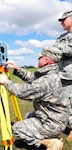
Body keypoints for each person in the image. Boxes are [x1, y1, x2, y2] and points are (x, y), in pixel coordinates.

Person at [0, 56, 69, 150]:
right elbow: (33, 78)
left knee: (17, 128)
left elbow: (23, 92)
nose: (37, 59)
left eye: (40, 57)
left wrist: (5, 81)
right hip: (55, 117)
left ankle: (51, 143)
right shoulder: (51, 74)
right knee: (28, 116)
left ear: (46, 60)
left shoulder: (46, 80)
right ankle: (47, 135)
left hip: (53, 123)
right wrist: (18, 68)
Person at [40, 10, 72, 141]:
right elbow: (53, 52)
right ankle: (65, 125)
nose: (61, 23)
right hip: (60, 75)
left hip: (70, 76)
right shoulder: (61, 37)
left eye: (63, 19)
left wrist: (56, 48)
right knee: (62, 103)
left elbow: (68, 50)